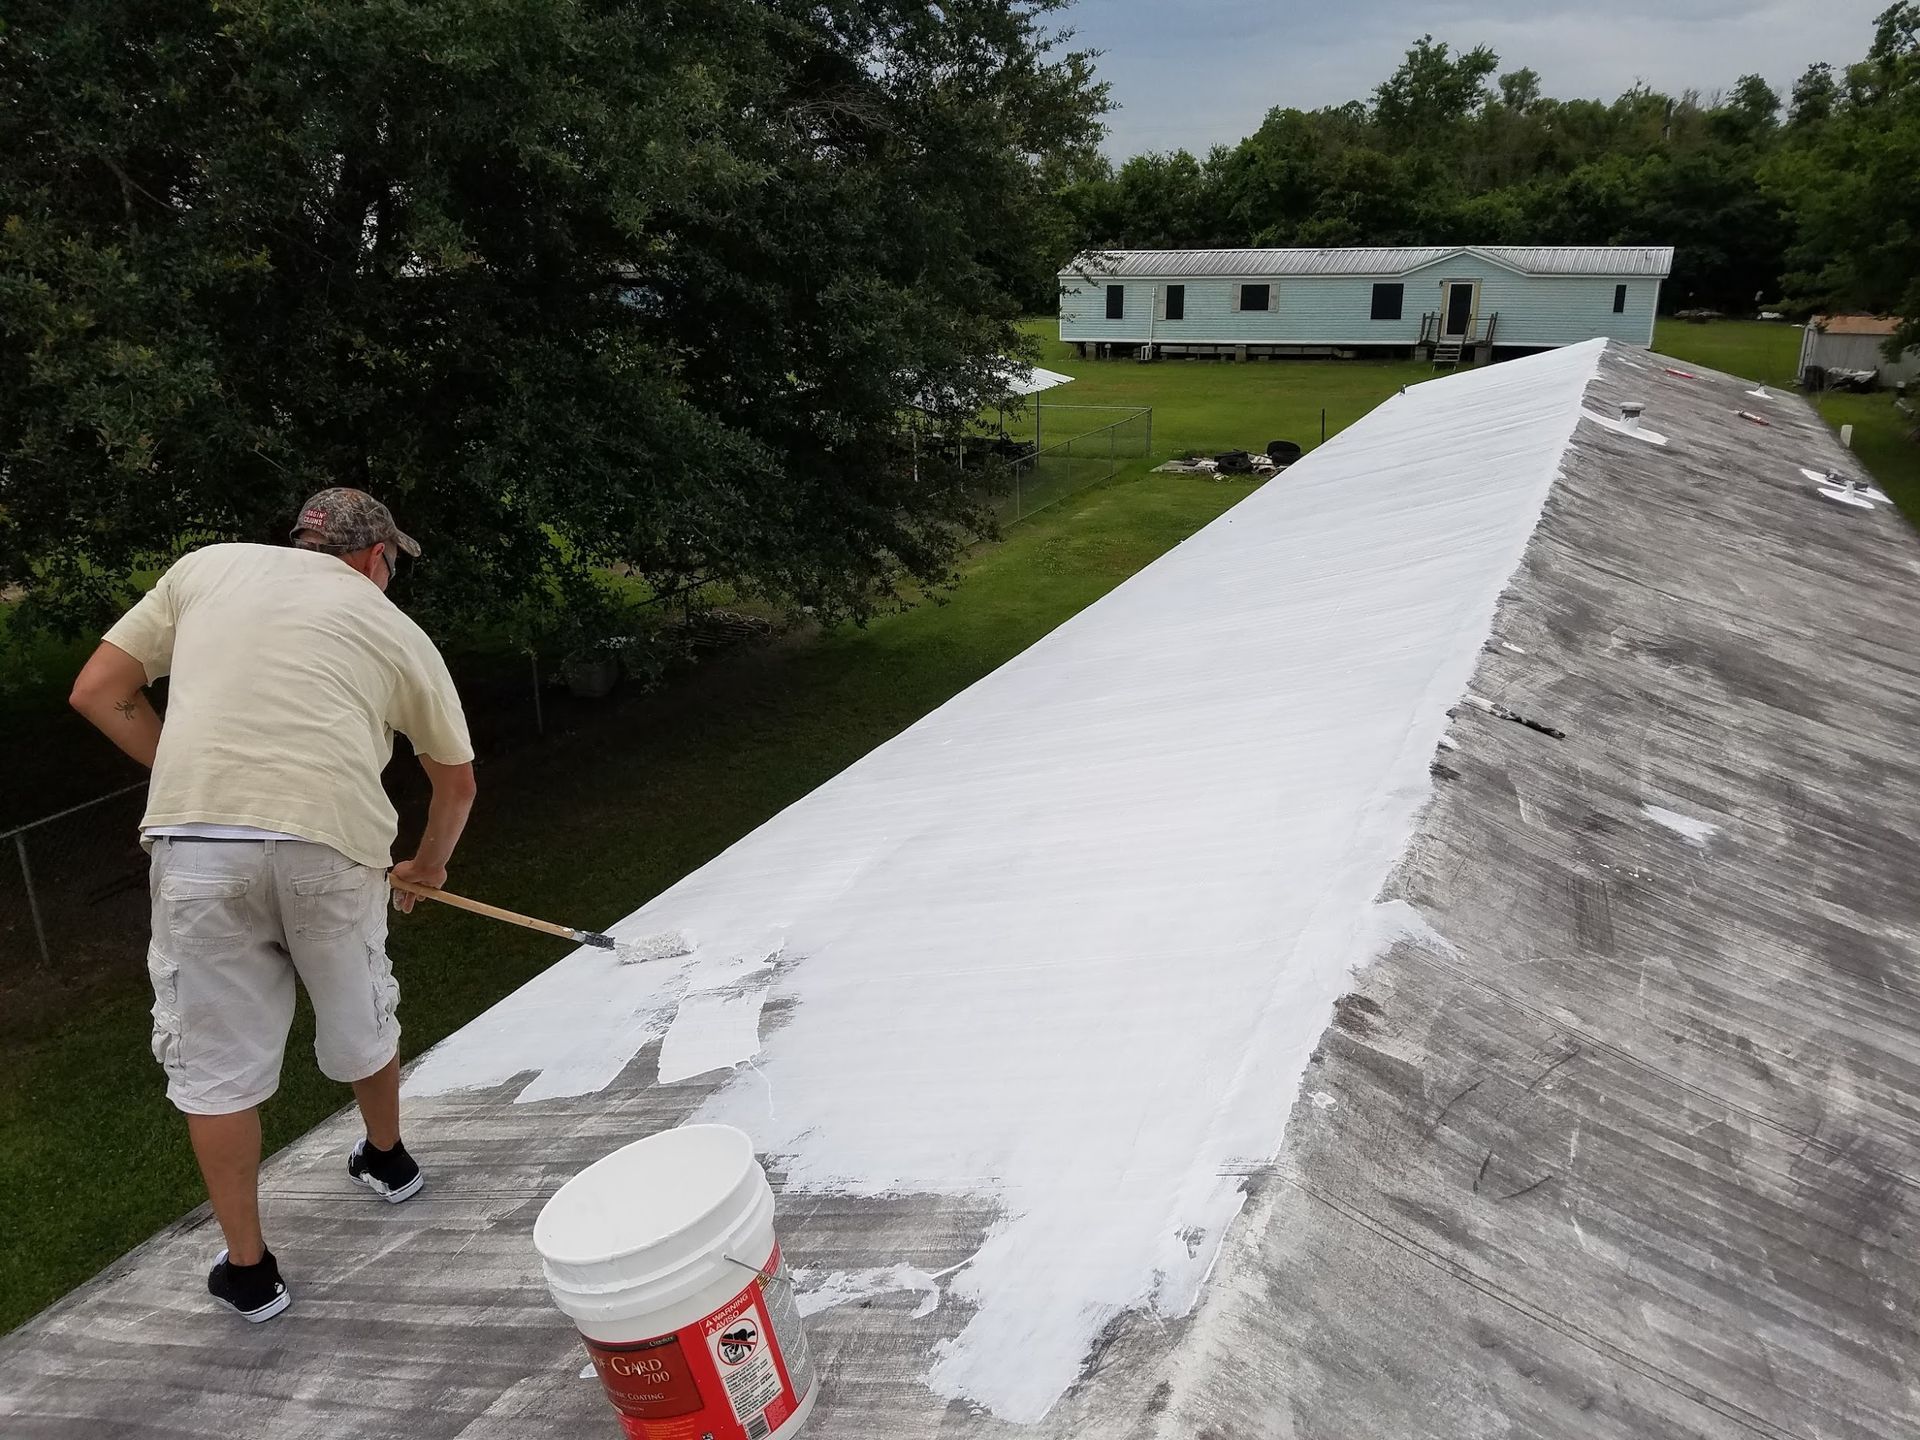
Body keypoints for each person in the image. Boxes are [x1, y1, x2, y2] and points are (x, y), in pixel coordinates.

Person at [69, 488, 477, 1323]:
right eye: (392, 563)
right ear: (374, 559)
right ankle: (389, 1162)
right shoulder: (390, 624)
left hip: (199, 850)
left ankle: (251, 1274)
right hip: (333, 845)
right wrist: (426, 868)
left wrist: (186, 772)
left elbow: (99, 688)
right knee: (360, 1007)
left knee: (218, 1070)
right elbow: (456, 780)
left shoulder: (206, 569)